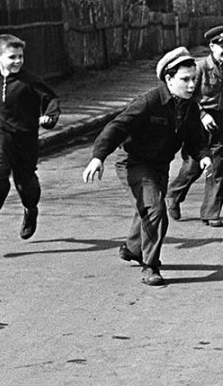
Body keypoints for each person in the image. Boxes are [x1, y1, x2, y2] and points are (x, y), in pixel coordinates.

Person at [81, 47, 211, 287]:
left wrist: (203, 156)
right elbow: (117, 127)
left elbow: (196, 138)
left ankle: (132, 248)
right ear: (169, 79)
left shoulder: (189, 108)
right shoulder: (149, 101)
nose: (192, 85)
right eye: (185, 79)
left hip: (160, 166)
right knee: (156, 209)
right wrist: (98, 157)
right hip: (134, 162)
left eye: (194, 79)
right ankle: (150, 265)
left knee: (147, 208)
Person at [0, 33, 60, 239]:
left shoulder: (30, 81)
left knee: (25, 181)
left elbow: (52, 99)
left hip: (25, 136)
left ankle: (30, 210)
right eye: (12, 57)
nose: (18, 61)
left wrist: (49, 117)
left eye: (20, 56)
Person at [167, 25, 223, 227]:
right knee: (193, 165)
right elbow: (187, 95)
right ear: (212, 47)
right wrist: (202, 115)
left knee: (218, 167)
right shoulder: (199, 68)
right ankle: (173, 194)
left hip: (220, 120)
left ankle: (211, 212)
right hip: (197, 120)